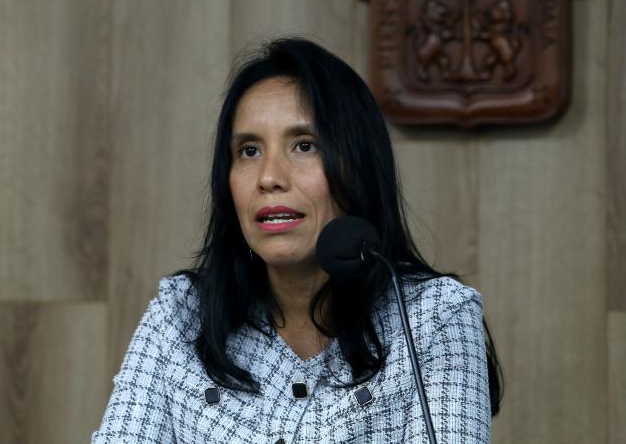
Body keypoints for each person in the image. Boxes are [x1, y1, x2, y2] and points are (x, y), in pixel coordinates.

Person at [91, 37, 502, 443]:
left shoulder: (435, 316)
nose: (269, 177)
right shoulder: (180, 315)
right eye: (249, 151)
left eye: (304, 146)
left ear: (358, 166)